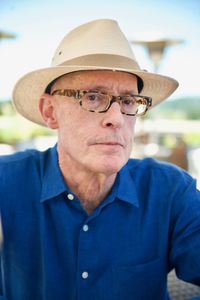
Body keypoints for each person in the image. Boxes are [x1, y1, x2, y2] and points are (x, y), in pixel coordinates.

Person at [0, 18, 200, 300]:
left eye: (129, 102)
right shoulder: (6, 183)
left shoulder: (171, 191)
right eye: (92, 97)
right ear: (50, 112)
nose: (116, 119)